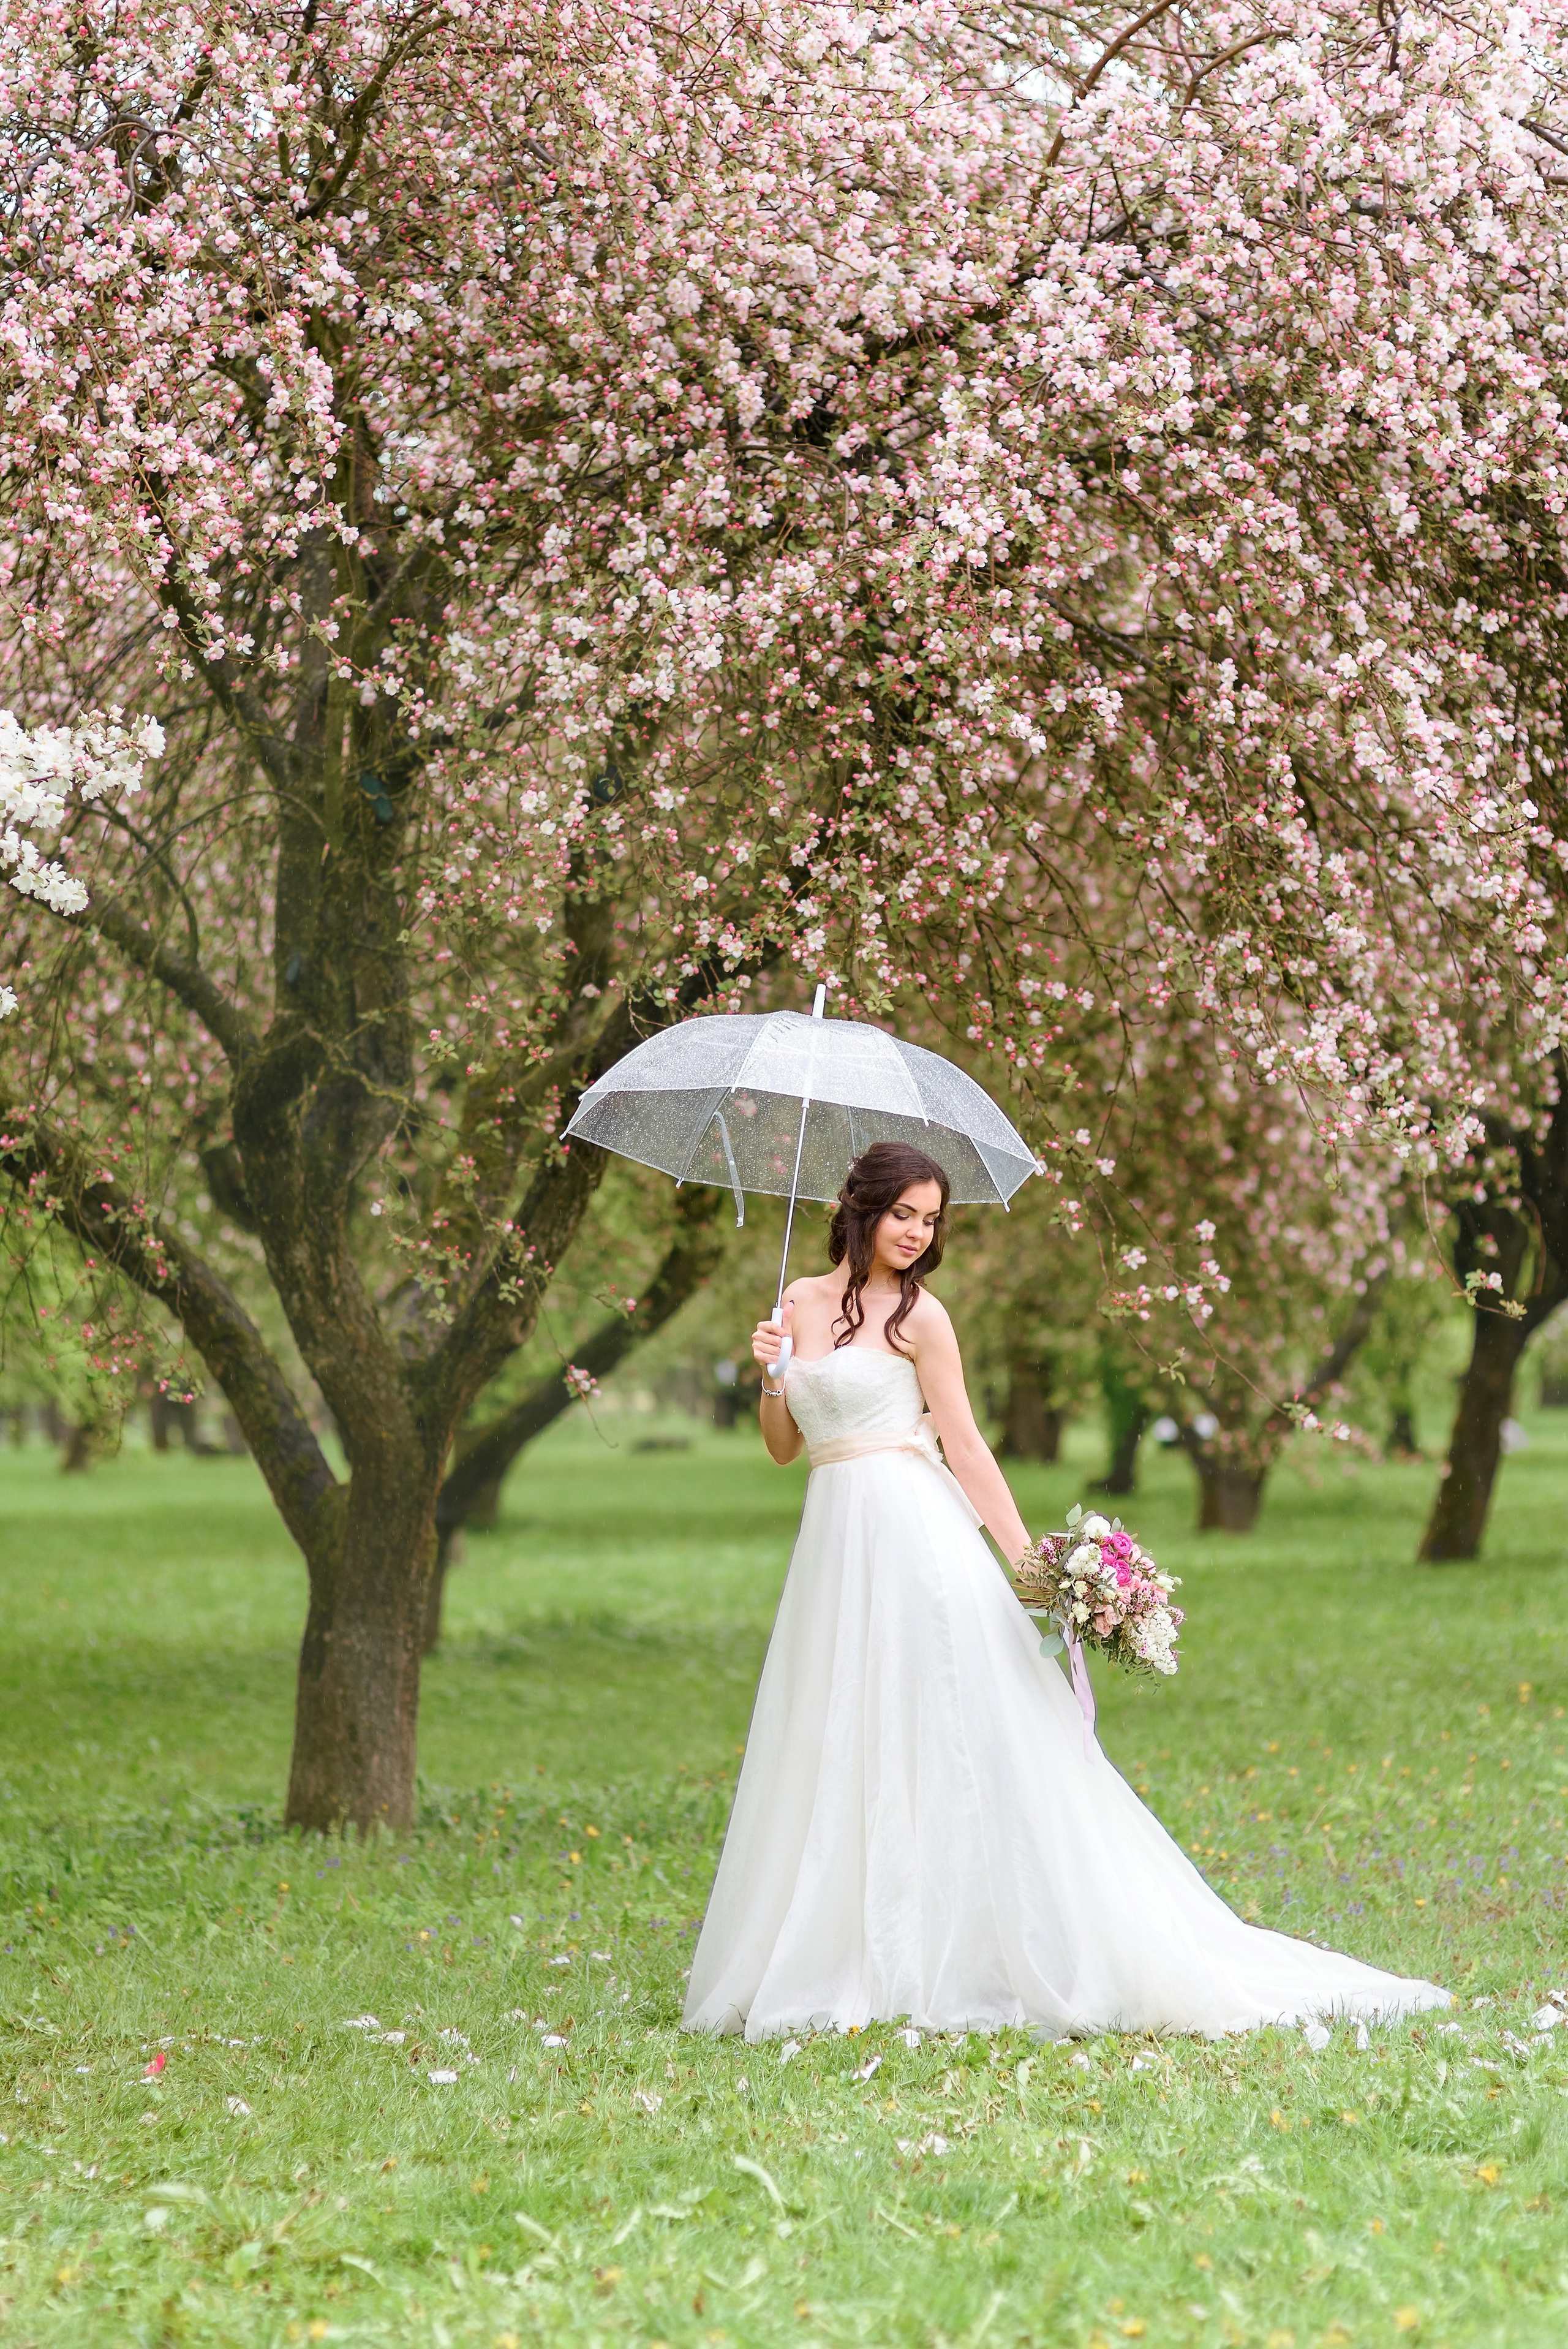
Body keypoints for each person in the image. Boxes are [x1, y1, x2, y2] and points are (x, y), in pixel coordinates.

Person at [682, 1141, 1449, 2041]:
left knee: (946, 1723)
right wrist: (772, 1374)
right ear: (862, 1207)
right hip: (834, 1541)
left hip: (915, 1536)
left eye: (931, 1219)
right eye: (903, 1214)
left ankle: (966, 1947)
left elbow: (967, 1446)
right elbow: (784, 1446)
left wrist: (1032, 1569)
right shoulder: (798, 1303)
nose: (917, 1233)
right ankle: (852, 1942)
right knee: (843, 1722)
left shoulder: (924, 1317)